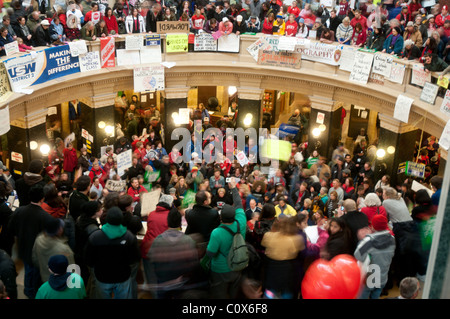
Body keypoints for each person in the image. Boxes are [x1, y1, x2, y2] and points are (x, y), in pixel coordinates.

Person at [7, 185, 54, 299]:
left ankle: (28, 290)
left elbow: (10, 229)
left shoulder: (19, 211)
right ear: (42, 199)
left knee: (28, 271)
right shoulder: (46, 217)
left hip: (23, 248)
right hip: (38, 253)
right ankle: (32, 292)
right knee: (35, 274)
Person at [85, 207, 140, 299]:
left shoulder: (95, 237)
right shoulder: (129, 237)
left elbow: (88, 259)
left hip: (102, 277)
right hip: (123, 277)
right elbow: (135, 258)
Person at [205, 177, 247, 299]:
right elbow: (238, 203)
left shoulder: (216, 232)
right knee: (234, 294)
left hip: (220, 270)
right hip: (237, 264)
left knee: (219, 294)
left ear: (221, 218)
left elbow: (210, 253)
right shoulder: (241, 222)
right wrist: (234, 188)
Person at [146, 209, 199, 299]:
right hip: (181, 282)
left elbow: (151, 259)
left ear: (167, 222)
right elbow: (194, 262)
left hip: (163, 281)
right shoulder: (188, 240)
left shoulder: (158, 240)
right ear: (180, 223)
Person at [261, 216, 305, 299]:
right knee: (287, 293)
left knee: (270, 292)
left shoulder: (269, 235)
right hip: (288, 271)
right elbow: (301, 249)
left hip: (272, 270)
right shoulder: (297, 239)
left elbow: (263, 243)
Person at [354, 214, 396, 299]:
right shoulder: (392, 239)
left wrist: (361, 240)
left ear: (373, 226)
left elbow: (357, 255)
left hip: (369, 278)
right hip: (383, 276)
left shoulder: (368, 241)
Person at [141, 195, 177, 283]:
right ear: (170, 204)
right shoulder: (171, 216)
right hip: (163, 252)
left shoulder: (151, 214)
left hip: (148, 250)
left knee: (151, 279)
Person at [32, 218, 75, 284]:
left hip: (45, 278)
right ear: (59, 230)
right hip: (61, 283)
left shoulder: (39, 239)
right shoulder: (64, 249)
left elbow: (35, 259)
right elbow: (71, 270)